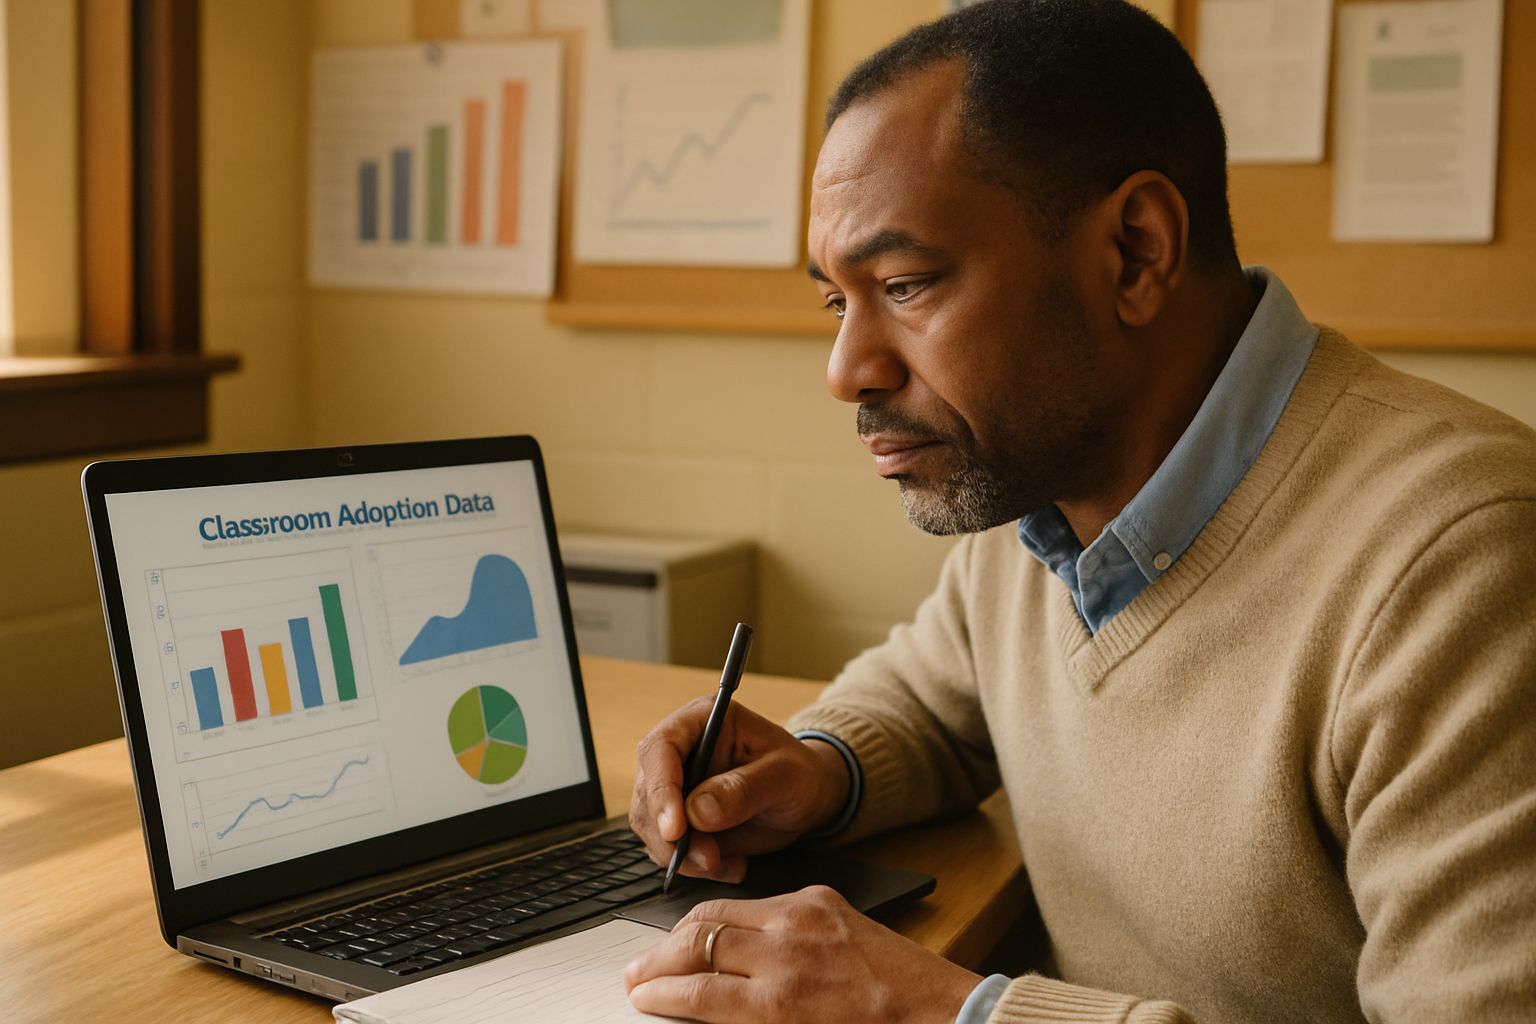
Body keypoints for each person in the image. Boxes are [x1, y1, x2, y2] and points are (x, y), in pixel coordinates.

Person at [623, 2, 1536, 1021]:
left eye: (906, 283)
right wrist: (817, 769)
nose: (847, 370)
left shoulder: (1467, 561)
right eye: (840, 301)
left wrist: (947, 1010)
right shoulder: (1042, 492)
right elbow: (930, 702)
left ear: (1136, 253)